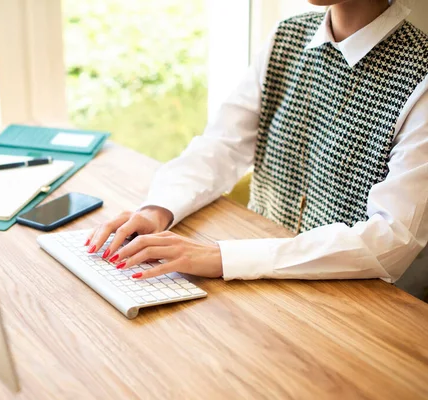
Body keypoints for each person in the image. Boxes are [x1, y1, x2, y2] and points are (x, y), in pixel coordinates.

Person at [85, 0, 428, 298]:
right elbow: (222, 145)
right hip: (259, 282)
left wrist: (222, 257)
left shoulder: (420, 72)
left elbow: (391, 240)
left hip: (353, 300)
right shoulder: (287, 37)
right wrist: (156, 210)